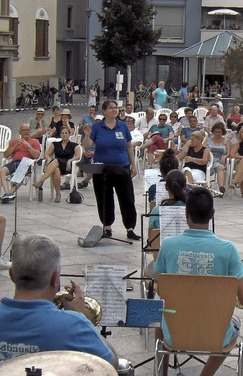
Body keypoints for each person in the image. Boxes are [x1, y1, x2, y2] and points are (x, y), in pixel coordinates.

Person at [154, 188, 243, 376]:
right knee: (234, 323)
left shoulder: (168, 245)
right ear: (212, 214)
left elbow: (161, 289)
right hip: (216, 333)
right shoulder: (228, 249)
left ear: (186, 213)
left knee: (160, 319)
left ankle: (163, 374)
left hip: (175, 331)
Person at [0, 235, 118, 368]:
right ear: (55, 279)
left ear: (11, 275)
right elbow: (111, 363)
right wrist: (83, 318)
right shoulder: (75, 324)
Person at [82, 99, 140, 240]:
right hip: (103, 169)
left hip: (122, 167)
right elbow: (88, 146)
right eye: (111, 108)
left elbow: (128, 146)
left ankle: (130, 228)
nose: (115, 110)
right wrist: (87, 135)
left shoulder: (123, 126)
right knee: (104, 198)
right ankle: (107, 226)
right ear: (104, 111)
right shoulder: (97, 127)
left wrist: (134, 165)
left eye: (116, 108)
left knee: (127, 198)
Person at [32, 126, 81, 203]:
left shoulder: (74, 145)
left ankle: (41, 180)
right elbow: (47, 154)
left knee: (55, 161)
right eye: (62, 133)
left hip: (67, 166)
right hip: (56, 165)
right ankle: (58, 194)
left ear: (69, 134)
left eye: (66, 133)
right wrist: (48, 159)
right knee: (56, 170)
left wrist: (70, 161)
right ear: (60, 134)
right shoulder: (55, 144)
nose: (64, 134)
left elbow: (78, 156)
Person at [0, 124, 41, 202]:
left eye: (28, 130)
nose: (26, 131)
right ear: (20, 132)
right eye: (24, 130)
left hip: (27, 162)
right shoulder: (15, 141)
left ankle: (11, 193)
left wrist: (28, 145)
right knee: (2, 170)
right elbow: (6, 155)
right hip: (14, 162)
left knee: (22, 169)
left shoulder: (34, 141)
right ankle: (7, 193)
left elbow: (36, 156)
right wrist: (14, 146)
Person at [206, 122, 228, 195]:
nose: (217, 133)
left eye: (219, 132)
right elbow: (203, 149)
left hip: (219, 159)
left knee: (220, 168)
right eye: (216, 132)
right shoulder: (208, 140)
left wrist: (224, 157)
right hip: (209, 159)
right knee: (206, 168)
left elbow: (229, 152)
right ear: (213, 132)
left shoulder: (226, 141)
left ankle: (221, 187)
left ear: (222, 132)